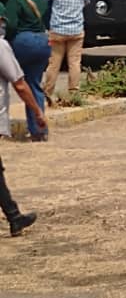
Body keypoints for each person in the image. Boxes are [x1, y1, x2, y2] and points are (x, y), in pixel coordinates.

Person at [0, 18, 46, 237]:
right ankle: (14, 216)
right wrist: (37, 112)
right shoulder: (1, 47)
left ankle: (14, 216)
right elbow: (19, 83)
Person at [5, 0, 50, 141]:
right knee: (35, 84)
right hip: (43, 42)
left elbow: (12, 25)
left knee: (19, 83)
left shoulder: (13, 2)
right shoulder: (39, 0)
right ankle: (39, 130)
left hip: (24, 42)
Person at [40, 0, 90, 100]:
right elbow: (86, 2)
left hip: (58, 30)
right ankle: (74, 93)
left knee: (54, 63)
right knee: (74, 63)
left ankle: (48, 91)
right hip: (76, 30)